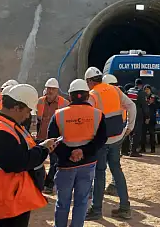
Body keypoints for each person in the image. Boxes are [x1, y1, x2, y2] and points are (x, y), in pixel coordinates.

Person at [0, 84, 57, 227]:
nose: (27, 116)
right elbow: (18, 162)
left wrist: (41, 145)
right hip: (7, 199)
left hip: (13, 196)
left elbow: (23, 148)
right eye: (27, 111)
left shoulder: (8, 125)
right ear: (16, 108)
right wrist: (43, 150)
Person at [47, 79, 106, 227]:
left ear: (70, 96)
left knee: (62, 203)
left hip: (65, 165)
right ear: (87, 96)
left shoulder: (59, 115)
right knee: (81, 202)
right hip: (88, 164)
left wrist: (69, 154)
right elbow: (101, 139)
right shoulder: (98, 114)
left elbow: (52, 140)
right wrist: (83, 152)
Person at [85, 68, 137, 221]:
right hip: (117, 137)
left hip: (102, 141)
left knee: (99, 173)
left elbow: (89, 119)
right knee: (117, 171)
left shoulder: (92, 95)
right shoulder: (115, 90)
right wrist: (129, 127)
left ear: (90, 81)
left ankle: (96, 210)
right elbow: (131, 106)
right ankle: (125, 208)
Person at [36, 77, 69, 193]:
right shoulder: (40, 101)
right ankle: (39, 183)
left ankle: (49, 185)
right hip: (41, 137)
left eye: (53, 89)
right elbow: (38, 119)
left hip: (56, 139)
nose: (50, 91)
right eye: (48, 88)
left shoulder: (64, 103)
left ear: (57, 90)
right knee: (37, 161)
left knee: (54, 162)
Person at [126, 78, 150, 157]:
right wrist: (147, 116)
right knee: (137, 133)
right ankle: (133, 151)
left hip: (128, 113)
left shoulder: (129, 91)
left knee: (130, 131)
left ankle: (128, 149)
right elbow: (144, 106)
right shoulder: (141, 93)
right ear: (141, 85)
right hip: (137, 115)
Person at [140, 86, 160, 153]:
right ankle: (143, 148)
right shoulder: (142, 97)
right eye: (145, 89)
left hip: (152, 118)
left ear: (150, 90)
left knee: (152, 134)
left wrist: (153, 103)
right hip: (143, 118)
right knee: (143, 134)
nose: (146, 91)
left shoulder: (154, 97)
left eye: (148, 89)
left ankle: (153, 149)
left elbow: (158, 106)